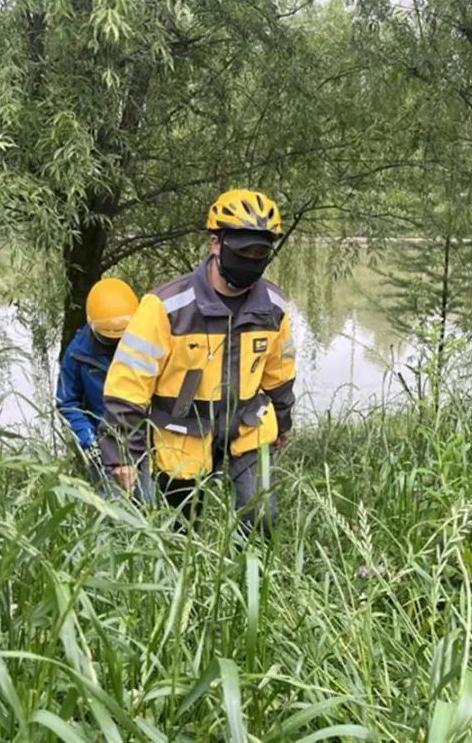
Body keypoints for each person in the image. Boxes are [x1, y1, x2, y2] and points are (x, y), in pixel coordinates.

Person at [98, 189, 297, 537]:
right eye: (244, 249)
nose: (252, 259)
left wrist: (282, 420)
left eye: (261, 251)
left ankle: (244, 580)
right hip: (181, 438)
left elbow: (280, 371)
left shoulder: (274, 306)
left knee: (262, 516)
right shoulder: (166, 307)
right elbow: (128, 385)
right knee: (181, 531)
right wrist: (121, 453)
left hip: (247, 429)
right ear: (216, 243)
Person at [56, 278, 139, 487]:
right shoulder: (78, 353)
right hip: (102, 441)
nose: (116, 343)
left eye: (121, 337)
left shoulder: (146, 344)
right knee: (109, 508)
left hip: (143, 440)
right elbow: (68, 404)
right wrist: (90, 441)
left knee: (149, 504)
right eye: (109, 338)